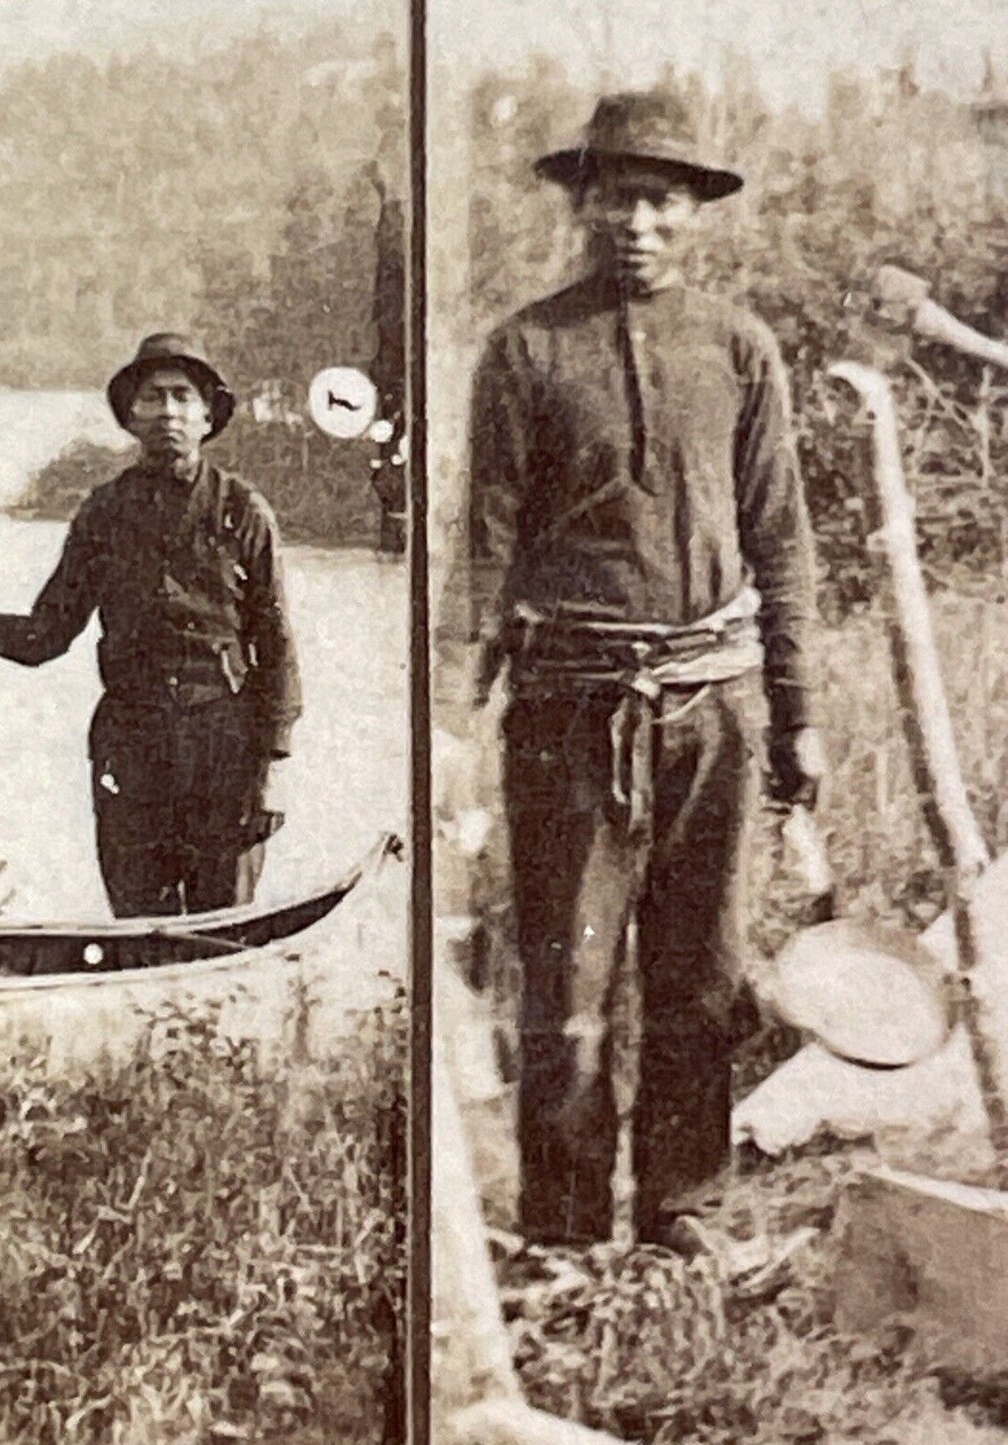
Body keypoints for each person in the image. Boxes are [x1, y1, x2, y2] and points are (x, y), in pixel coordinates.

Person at [467, 90, 825, 1250]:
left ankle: (684, 1215)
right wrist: (441, 727)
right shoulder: (524, 348)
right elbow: (482, 546)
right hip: (569, 709)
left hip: (713, 709)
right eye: (614, 197)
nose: (635, 221)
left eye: (658, 200)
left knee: (700, 985)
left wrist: (797, 715)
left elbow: (780, 539)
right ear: (580, 206)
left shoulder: (737, 346)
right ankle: (562, 1234)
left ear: (693, 216)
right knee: (566, 1001)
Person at [0, 333, 302, 918]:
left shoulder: (242, 511)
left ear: (208, 414)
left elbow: (278, 648)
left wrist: (273, 767)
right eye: (152, 398)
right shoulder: (104, 513)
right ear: (131, 415)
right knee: (138, 924)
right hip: (132, 747)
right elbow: (49, 632)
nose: (168, 412)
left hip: (224, 750)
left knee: (223, 923)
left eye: (183, 397)